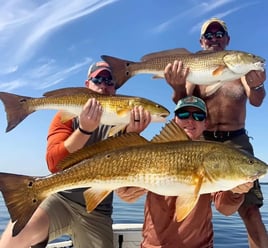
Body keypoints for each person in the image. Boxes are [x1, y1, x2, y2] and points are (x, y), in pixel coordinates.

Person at [0, 61, 151, 248]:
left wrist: (132, 135)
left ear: (115, 90)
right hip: (60, 198)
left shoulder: (125, 123)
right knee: (13, 239)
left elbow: (123, 181)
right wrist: (84, 130)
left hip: (97, 210)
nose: (104, 85)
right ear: (86, 85)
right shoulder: (66, 116)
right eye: (98, 79)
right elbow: (54, 163)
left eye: (110, 81)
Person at [164, 18, 268, 248]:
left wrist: (259, 85)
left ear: (227, 40)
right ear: (202, 42)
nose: (214, 39)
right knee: (192, 207)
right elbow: (184, 102)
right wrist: (177, 85)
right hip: (204, 140)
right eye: (209, 36)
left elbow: (257, 100)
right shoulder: (196, 69)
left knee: (250, 210)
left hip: (237, 140)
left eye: (219, 34)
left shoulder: (241, 69)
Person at [117, 95, 253, 248]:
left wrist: (236, 192)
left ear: (205, 124)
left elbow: (225, 209)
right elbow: (125, 194)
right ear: (175, 119)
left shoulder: (215, 158)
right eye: (183, 115)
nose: (190, 120)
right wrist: (132, 136)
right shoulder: (152, 152)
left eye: (198, 115)